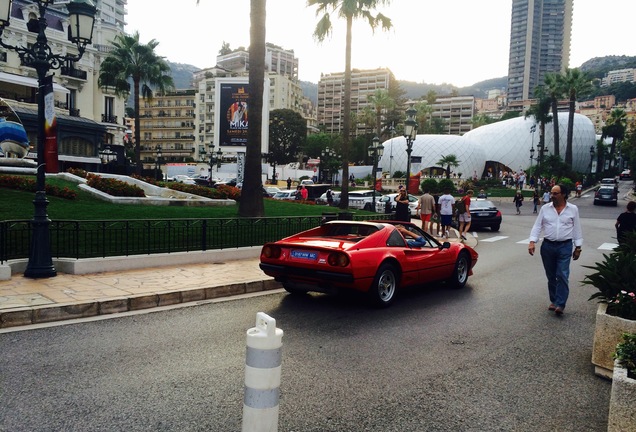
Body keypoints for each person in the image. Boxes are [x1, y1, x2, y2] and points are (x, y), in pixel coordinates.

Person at [528, 184, 583, 316]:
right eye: (551, 193)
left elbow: (577, 228)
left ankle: (561, 303)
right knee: (551, 275)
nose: (552, 196)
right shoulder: (545, 209)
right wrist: (532, 242)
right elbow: (537, 226)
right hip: (548, 246)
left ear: (563, 194)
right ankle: (554, 300)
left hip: (565, 246)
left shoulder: (573, 209)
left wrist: (578, 247)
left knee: (562, 274)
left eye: (555, 193)